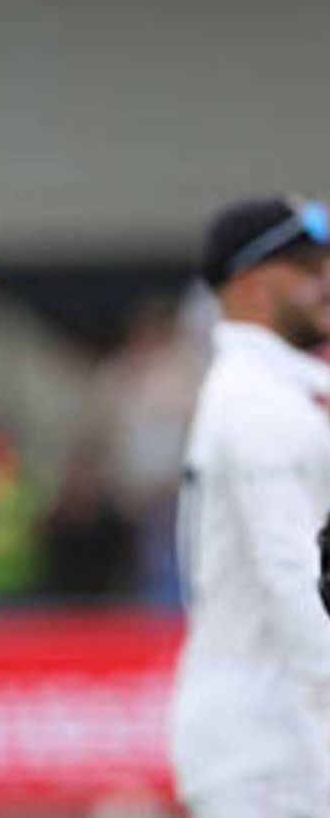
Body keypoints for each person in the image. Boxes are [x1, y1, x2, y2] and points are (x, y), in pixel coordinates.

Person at [171, 195, 330, 816]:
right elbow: (292, 576)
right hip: (268, 753)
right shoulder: (257, 404)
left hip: (280, 740)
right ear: (251, 282)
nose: (326, 283)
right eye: (308, 268)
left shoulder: (280, 392)